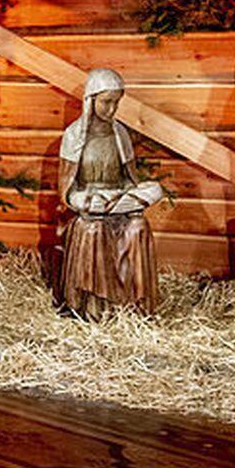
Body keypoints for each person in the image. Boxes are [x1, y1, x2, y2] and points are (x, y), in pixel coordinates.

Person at [56, 67, 164, 318]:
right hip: (90, 208)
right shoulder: (73, 136)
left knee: (138, 227)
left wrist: (137, 197)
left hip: (117, 203)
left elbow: (128, 180)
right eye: (106, 102)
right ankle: (96, 308)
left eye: (116, 103)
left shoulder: (120, 134)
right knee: (94, 230)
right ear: (90, 100)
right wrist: (82, 200)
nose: (112, 109)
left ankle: (134, 307)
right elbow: (67, 188)